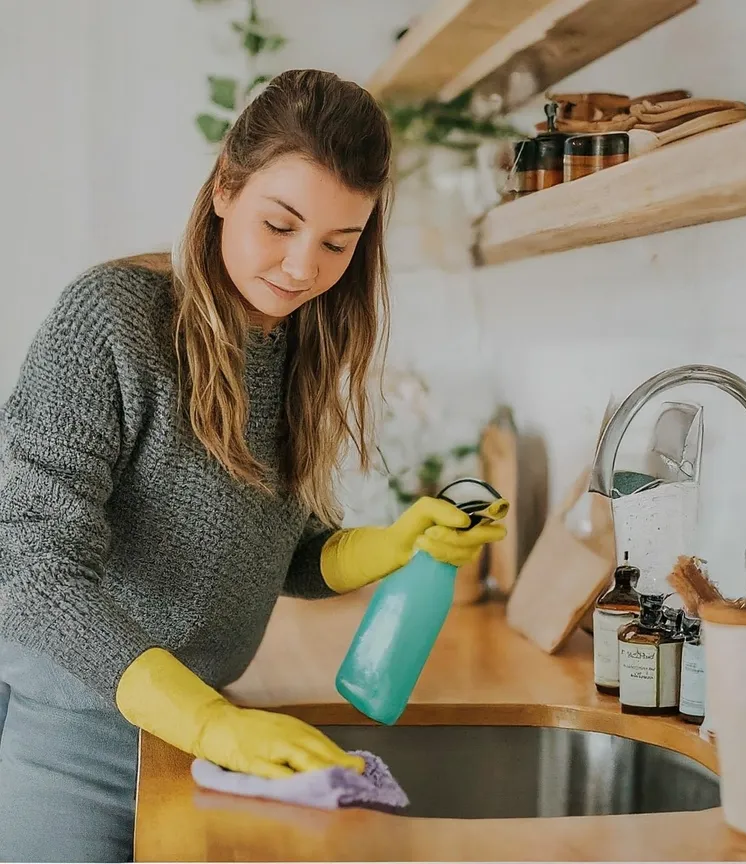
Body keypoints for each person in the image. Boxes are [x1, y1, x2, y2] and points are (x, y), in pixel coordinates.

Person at [0, 69, 506, 863]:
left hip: (205, 737)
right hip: (74, 739)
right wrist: (207, 721)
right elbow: (28, 566)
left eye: (338, 243)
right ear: (226, 188)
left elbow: (283, 553)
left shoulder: (295, 341)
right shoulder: (109, 322)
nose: (304, 268)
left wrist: (396, 544)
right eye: (281, 224)